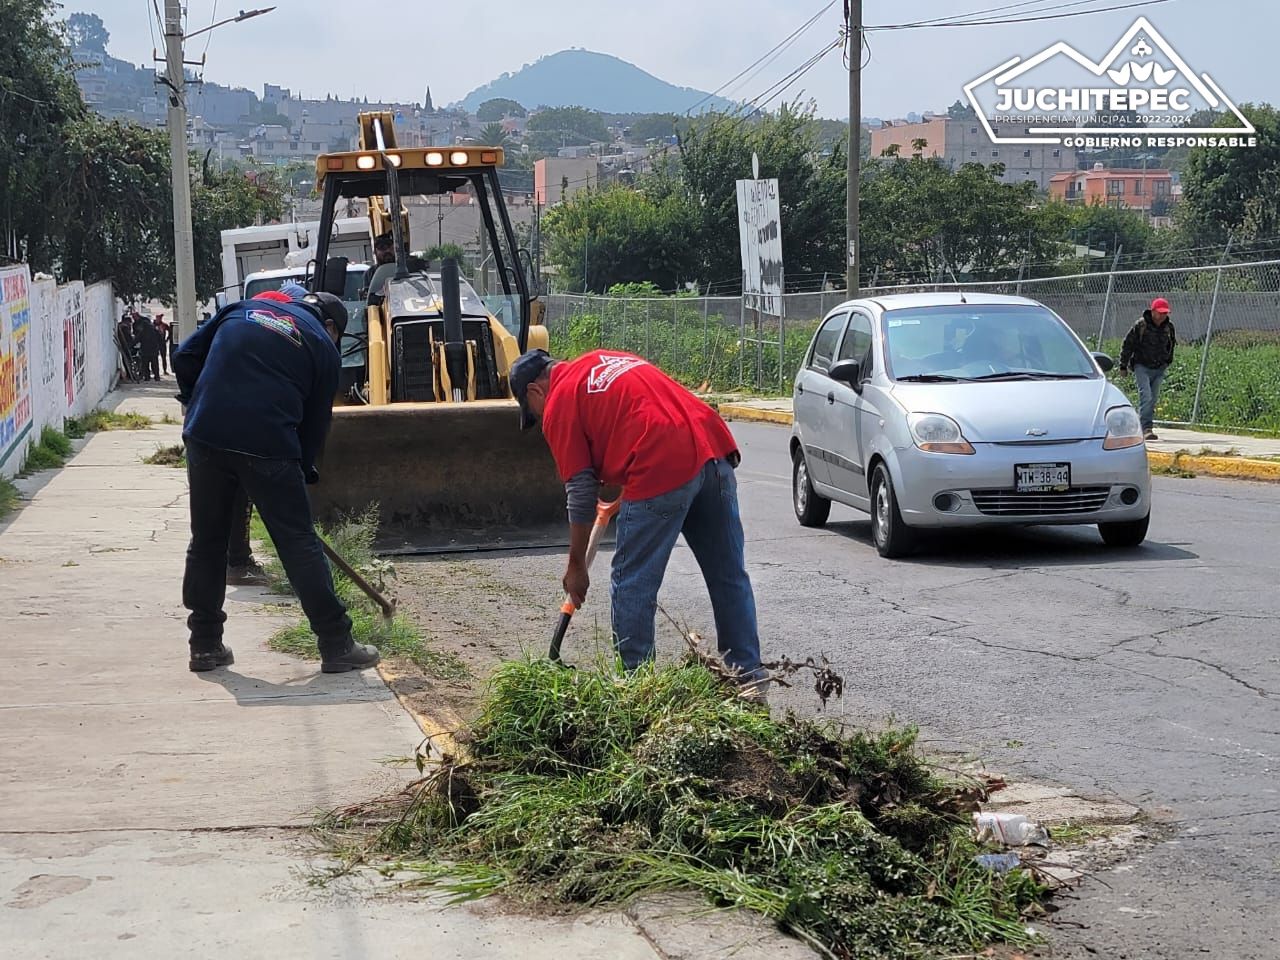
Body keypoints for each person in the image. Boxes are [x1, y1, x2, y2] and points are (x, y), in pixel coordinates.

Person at [510, 348, 768, 700]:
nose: (540, 419)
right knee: (728, 576)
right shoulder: (604, 360)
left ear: (534, 392)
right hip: (713, 451)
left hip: (660, 462)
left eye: (533, 414)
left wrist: (575, 567)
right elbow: (633, 415)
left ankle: (638, 692)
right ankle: (748, 680)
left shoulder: (558, 402)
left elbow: (581, 490)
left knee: (631, 583)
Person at [173, 287, 379, 674]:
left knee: (207, 542)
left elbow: (184, 356)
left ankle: (204, 645)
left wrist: (195, 401)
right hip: (268, 443)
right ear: (331, 325)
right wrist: (299, 472)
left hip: (205, 435)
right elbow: (316, 426)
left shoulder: (241, 309)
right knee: (298, 542)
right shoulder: (321, 343)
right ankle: (337, 644)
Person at [1119, 296, 1176, 441]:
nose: (1163, 316)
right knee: (1146, 395)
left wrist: (1167, 361)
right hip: (1141, 366)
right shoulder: (1141, 325)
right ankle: (1146, 428)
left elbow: (1171, 345)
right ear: (1153, 311)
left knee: (1153, 398)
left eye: (1165, 313)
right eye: (1160, 312)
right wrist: (1123, 365)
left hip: (1159, 368)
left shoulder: (1169, 328)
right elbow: (1128, 344)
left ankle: (1140, 425)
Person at [133, 313, 162, 381]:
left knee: (145, 365)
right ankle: (157, 377)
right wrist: (159, 348)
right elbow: (160, 339)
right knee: (155, 365)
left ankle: (147, 377)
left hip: (145, 351)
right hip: (154, 350)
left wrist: (129, 346)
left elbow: (136, 340)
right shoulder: (155, 331)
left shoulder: (142, 332)